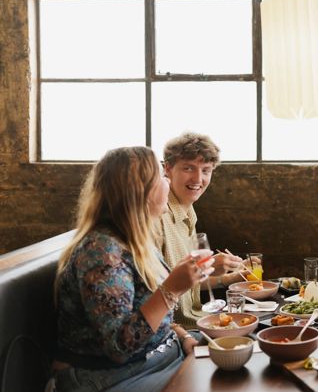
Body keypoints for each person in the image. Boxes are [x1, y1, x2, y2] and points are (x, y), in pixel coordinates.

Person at [52, 146, 214, 392]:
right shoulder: (101, 252)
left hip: (162, 357)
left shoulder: (136, 240)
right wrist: (171, 289)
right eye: (161, 176)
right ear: (140, 190)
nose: (168, 182)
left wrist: (185, 338)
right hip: (111, 376)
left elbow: (154, 318)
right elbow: (119, 346)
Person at [158, 132, 252, 330]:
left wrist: (229, 278)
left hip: (199, 318)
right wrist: (203, 268)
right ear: (167, 168)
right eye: (188, 168)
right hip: (179, 331)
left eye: (206, 170)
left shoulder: (188, 211)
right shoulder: (158, 214)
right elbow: (158, 288)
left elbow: (186, 282)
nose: (198, 179)